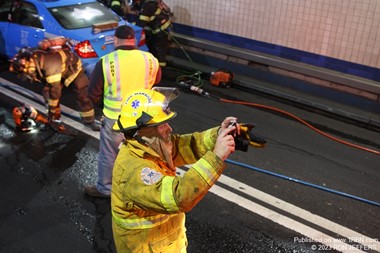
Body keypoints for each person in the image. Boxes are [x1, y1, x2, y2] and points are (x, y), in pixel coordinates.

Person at [110, 87, 239, 252]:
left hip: (166, 244)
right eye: (162, 125)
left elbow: (187, 145)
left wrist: (219, 134)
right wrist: (216, 157)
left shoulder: (151, 146)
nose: (169, 129)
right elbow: (180, 196)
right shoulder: (134, 170)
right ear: (143, 131)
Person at [84, 25, 161, 198]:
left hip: (115, 119)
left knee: (109, 154)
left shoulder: (106, 61)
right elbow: (156, 80)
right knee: (140, 152)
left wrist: (103, 106)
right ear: (133, 40)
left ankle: (105, 188)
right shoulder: (150, 60)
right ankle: (140, 186)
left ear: (116, 40)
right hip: (143, 118)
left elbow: (92, 93)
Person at [9, 41, 100, 132]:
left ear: (27, 63)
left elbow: (55, 91)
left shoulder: (48, 65)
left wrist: (52, 109)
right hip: (58, 69)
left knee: (82, 95)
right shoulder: (33, 58)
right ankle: (54, 122)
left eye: (26, 72)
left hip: (73, 70)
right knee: (47, 93)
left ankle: (89, 121)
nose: (27, 74)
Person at [136, 0, 173, 67]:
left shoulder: (147, 6)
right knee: (156, 51)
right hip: (162, 31)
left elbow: (141, 24)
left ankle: (161, 71)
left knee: (159, 54)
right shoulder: (150, 3)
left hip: (161, 33)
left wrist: (130, 25)